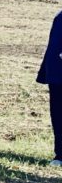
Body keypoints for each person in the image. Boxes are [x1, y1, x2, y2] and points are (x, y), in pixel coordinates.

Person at [37, 9, 62, 168]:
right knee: (59, 111)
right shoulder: (61, 18)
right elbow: (55, 47)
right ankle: (60, 154)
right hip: (59, 72)